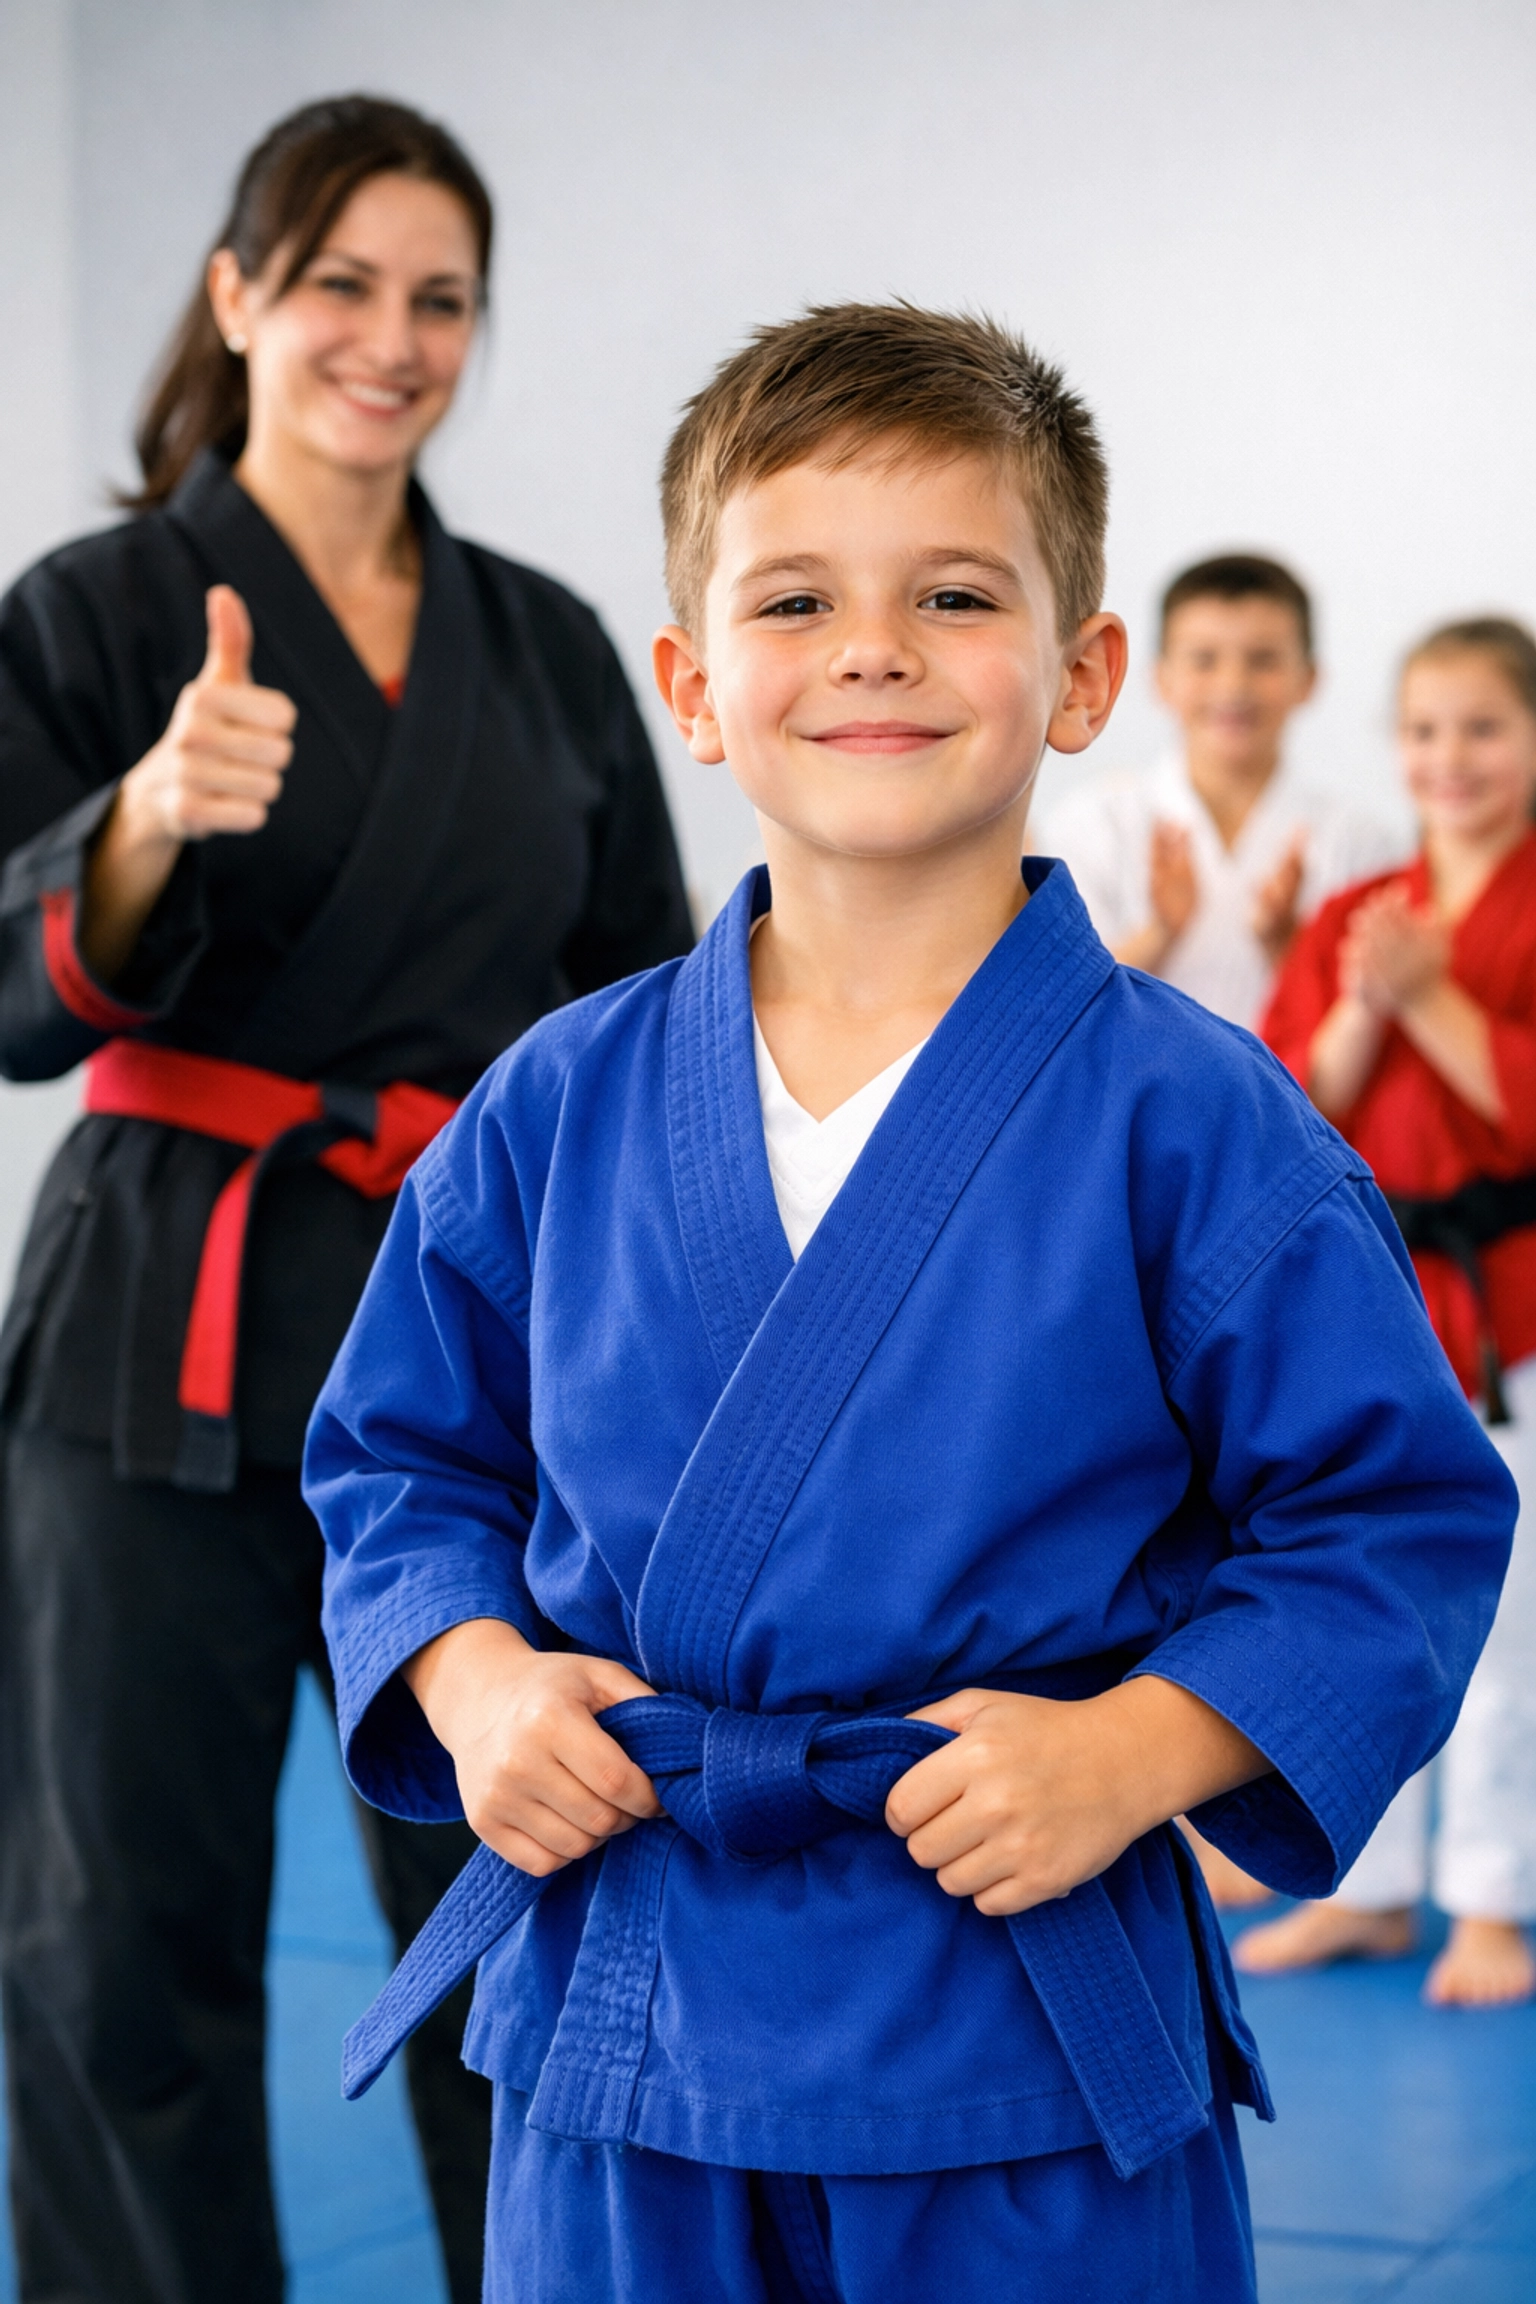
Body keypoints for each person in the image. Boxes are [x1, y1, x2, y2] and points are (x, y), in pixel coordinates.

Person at [307, 306, 1512, 2304]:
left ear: (1077, 673)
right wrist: (475, 1681)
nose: (872, 646)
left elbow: (1389, 1522)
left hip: (1019, 2030)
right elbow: (397, 1461)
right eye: (795, 598)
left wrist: (1136, 1753)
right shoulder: (559, 1099)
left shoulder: (1200, 1122)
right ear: (694, 688)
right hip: (631, 2020)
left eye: (955, 592)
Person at [0, 94, 691, 2304]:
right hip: (157, 1342)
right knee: (124, 1932)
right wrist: (136, 826)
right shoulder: (97, 615)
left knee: (513, 1899)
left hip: (474, 1354)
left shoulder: (553, 645)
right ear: (237, 296)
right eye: (340, 287)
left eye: (441, 301)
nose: (391, 341)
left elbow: (647, 1022)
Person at [1239, 618, 1536, 2007]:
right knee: (1364, 1602)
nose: (1450, 757)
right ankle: (1363, 1888)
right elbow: (1295, 1107)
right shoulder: (1369, 909)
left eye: (1482, 727)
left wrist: (1437, 1001)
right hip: (1382, 1298)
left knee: (1502, 1623)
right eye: (1424, 729)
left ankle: (1489, 1902)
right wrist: (1372, 1004)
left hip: (1511, 1305)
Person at [1038, 553, 1404, 1028]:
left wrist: (1289, 946)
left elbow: (1370, 1027)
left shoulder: (1360, 842)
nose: (1233, 685)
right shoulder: (1094, 824)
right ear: (1161, 679)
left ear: (1309, 680)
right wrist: (1161, 932)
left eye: (1263, 660)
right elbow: (1056, 1006)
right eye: (1204, 660)